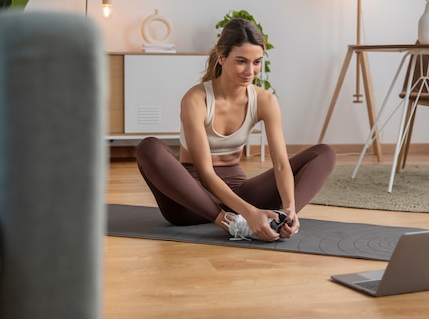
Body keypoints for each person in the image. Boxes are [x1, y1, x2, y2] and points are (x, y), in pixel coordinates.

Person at [135, 18, 336, 242]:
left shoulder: (264, 101)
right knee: (149, 148)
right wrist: (248, 214)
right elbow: (205, 173)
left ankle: (282, 220)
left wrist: (290, 207)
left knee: (324, 154)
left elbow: (280, 164)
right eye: (241, 61)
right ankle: (231, 223)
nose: (250, 71)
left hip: (240, 193)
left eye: (257, 62)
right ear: (222, 57)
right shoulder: (196, 99)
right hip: (193, 202)